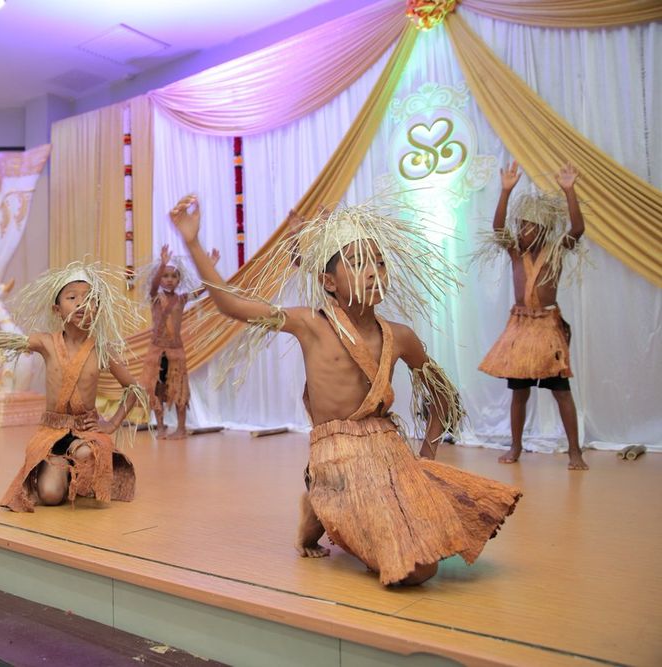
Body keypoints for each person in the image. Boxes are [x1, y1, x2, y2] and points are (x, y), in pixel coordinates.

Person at [171, 194, 520, 586]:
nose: (373, 272)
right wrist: (193, 242)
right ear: (328, 282)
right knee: (418, 569)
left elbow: (442, 394)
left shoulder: (400, 336)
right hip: (336, 457)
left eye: (379, 262)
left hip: (389, 453)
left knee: (442, 541)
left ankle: (335, 509)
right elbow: (232, 306)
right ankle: (320, 501)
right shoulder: (311, 324)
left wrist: (427, 457)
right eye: (357, 263)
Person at [0, 262, 149, 512]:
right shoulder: (45, 342)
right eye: (72, 297)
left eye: (90, 299)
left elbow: (134, 389)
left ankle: (80, 464)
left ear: (98, 309)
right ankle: (62, 470)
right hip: (52, 430)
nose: (82, 303)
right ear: (57, 309)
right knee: (49, 495)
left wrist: (111, 423)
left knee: (83, 455)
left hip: (85, 432)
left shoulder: (102, 349)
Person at [477, 162, 587, 470]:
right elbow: (498, 228)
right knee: (519, 392)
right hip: (520, 328)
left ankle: (574, 451)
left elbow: (577, 229)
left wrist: (569, 190)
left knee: (561, 392)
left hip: (547, 327)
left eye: (531, 226)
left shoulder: (555, 250)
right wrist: (505, 191)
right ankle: (515, 447)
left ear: (543, 230)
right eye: (522, 225)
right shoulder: (514, 252)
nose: (524, 231)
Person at [138, 244, 218, 438]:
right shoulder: (155, 297)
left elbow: (203, 289)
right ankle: (160, 426)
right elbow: (154, 285)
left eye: (174, 276)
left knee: (180, 389)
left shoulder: (182, 299)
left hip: (175, 350)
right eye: (165, 275)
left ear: (179, 280)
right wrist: (162, 264)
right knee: (156, 388)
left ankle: (181, 428)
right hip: (157, 351)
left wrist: (210, 266)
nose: (169, 279)